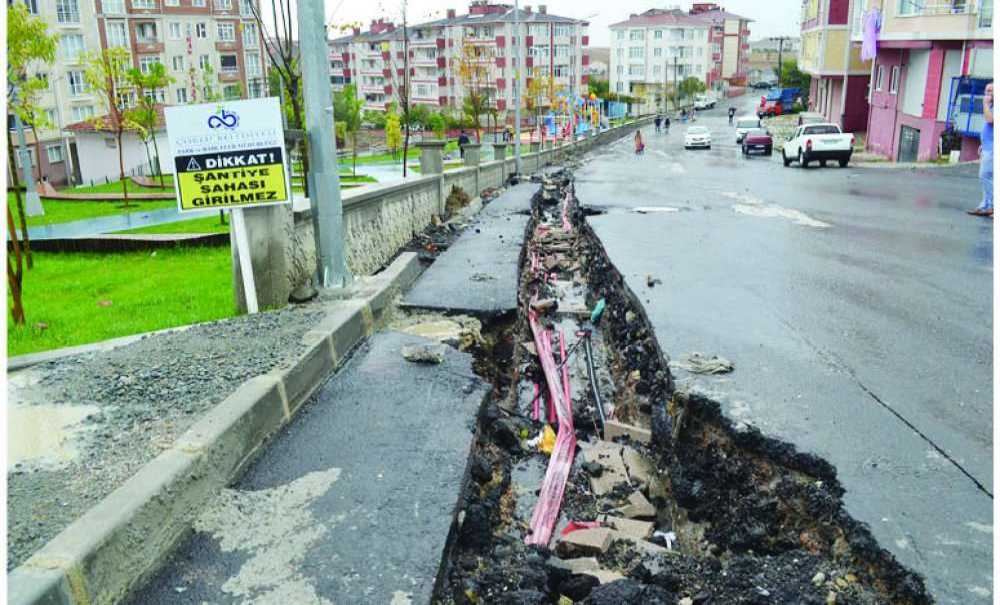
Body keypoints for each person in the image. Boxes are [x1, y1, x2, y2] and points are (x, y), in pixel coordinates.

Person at [969, 82, 994, 217]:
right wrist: (983, 144)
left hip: (993, 150)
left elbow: (990, 120)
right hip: (988, 147)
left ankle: (992, 205)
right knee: (988, 177)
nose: (987, 94)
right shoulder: (991, 106)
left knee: (984, 175)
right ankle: (985, 206)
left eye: (991, 91)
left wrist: (985, 104)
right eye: (986, 91)